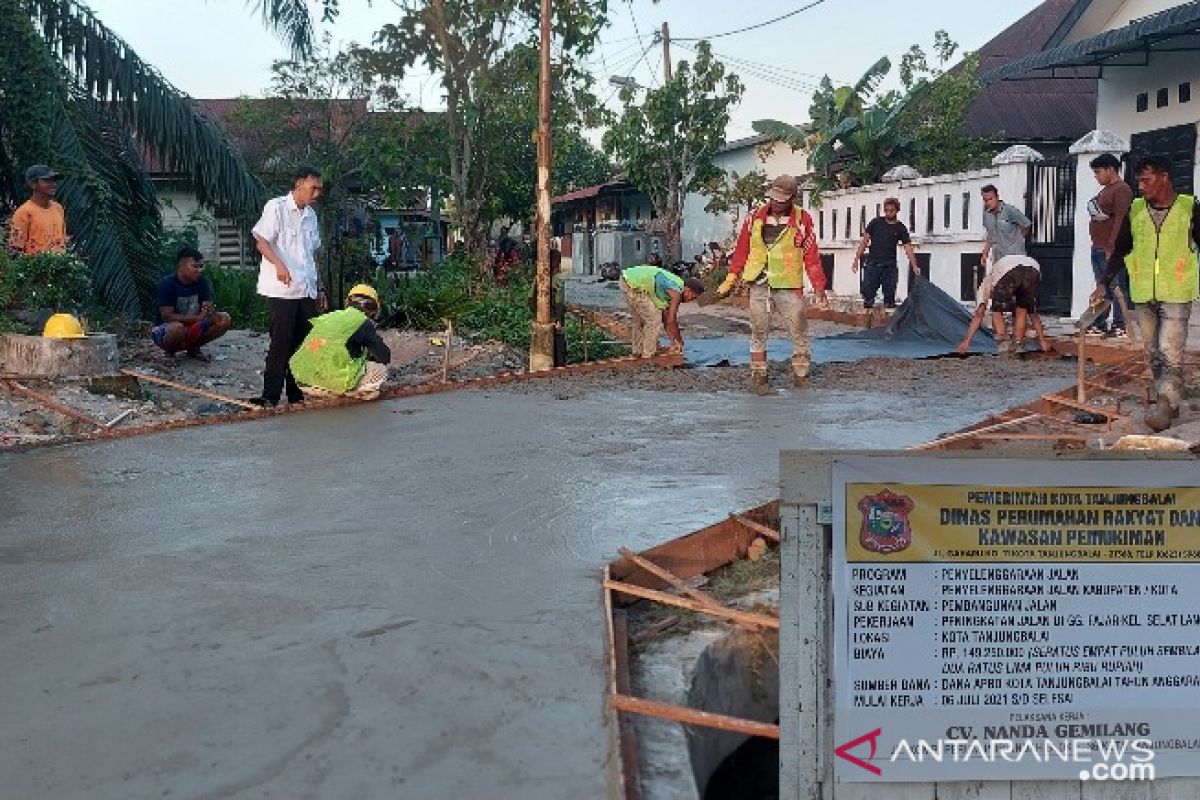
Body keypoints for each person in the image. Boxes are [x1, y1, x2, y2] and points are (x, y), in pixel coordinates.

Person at [1093, 154, 1200, 432]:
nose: (1140, 186)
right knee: (1152, 353)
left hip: (1176, 291)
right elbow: (1122, 248)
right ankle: (1170, 399)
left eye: (1146, 180)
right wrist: (1104, 281)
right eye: (1138, 180)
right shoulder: (1136, 209)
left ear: (1164, 177)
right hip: (1143, 292)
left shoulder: (1190, 207)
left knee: (1170, 351)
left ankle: (1165, 407)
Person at [717, 174, 826, 394]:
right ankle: (759, 378)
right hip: (759, 281)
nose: (776, 203)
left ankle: (801, 377)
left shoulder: (802, 220)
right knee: (758, 328)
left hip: (788, 283)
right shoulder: (754, 218)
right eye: (773, 198)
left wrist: (819, 286)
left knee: (799, 327)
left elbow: (811, 255)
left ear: (792, 199)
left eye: (781, 199)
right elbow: (742, 250)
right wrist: (731, 278)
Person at [251, 165, 327, 407]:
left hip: (306, 288)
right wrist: (279, 265)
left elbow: (312, 255)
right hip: (281, 288)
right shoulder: (277, 207)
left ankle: (296, 394)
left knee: (304, 343)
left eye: (319, 189)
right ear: (299, 184)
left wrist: (321, 288)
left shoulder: (311, 216)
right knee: (280, 342)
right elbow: (261, 241)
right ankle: (270, 395)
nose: (317, 193)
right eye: (313, 187)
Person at [289, 284, 391, 399]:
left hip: (303, 381)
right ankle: (352, 392)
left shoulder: (330, 317)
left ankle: (329, 391)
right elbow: (385, 356)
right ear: (373, 309)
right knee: (380, 370)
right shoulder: (362, 321)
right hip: (329, 382)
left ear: (348, 302)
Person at [956, 254, 1050, 356]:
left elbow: (979, 314)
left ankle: (1003, 344)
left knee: (997, 310)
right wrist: (1042, 341)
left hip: (1010, 270)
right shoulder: (997, 275)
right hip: (1033, 268)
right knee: (1023, 309)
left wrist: (966, 341)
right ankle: (1018, 345)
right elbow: (1033, 314)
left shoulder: (985, 286)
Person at [149, 247, 232, 361]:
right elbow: (167, 316)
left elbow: (206, 307)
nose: (199, 270)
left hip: (192, 326)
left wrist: (210, 312)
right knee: (177, 328)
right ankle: (169, 352)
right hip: (166, 330)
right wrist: (197, 318)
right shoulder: (167, 284)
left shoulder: (202, 282)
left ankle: (193, 348)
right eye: (194, 266)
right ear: (181, 266)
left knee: (224, 319)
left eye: (200, 266)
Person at [1085, 153, 1134, 339]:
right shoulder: (1105, 190)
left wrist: (1112, 246)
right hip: (1098, 245)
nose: (1096, 176)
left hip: (1110, 248)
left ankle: (1120, 324)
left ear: (1110, 169)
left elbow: (1122, 220)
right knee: (1102, 286)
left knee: (1116, 286)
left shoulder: (1121, 189)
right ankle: (1100, 323)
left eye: (1098, 172)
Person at [619, 260, 704, 358]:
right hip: (633, 283)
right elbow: (672, 320)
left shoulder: (671, 291)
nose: (690, 301)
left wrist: (674, 342)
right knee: (654, 320)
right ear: (688, 290)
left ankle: (637, 352)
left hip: (627, 279)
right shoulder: (676, 293)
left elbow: (667, 320)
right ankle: (648, 355)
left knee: (640, 321)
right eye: (692, 297)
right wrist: (679, 341)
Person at [852, 197, 919, 309]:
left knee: (889, 299)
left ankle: (888, 324)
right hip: (872, 265)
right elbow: (864, 241)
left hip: (889, 267)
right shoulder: (875, 223)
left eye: (891, 210)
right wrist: (856, 260)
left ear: (897, 210)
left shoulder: (900, 228)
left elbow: (908, 247)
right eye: (886, 210)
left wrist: (914, 266)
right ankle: (868, 323)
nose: (888, 213)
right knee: (868, 297)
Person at [7, 164, 68, 256]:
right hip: (35, 267)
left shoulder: (58, 208)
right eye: (47, 180)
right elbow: (15, 249)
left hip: (59, 266)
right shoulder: (24, 212)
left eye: (54, 180)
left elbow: (62, 241)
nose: (54, 184)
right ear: (33, 184)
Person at [528, 249, 567, 366]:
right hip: (555, 319)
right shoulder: (559, 280)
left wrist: (536, 312)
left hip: (540, 319)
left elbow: (530, 297)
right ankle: (559, 367)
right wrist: (559, 319)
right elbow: (559, 301)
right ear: (557, 263)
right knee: (558, 346)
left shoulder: (538, 278)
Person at [980, 184, 1031, 266]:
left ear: (997, 197)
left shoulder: (1009, 210)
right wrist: (985, 253)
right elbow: (990, 234)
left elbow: (1026, 224)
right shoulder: (986, 215)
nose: (988, 202)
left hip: (1015, 258)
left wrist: (1017, 241)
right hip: (999, 259)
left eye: (990, 199)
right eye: (985, 200)